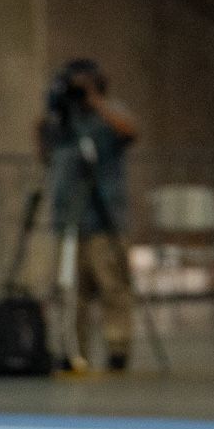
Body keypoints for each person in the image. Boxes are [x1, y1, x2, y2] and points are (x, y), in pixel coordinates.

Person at [38, 58, 139, 371]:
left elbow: (130, 131)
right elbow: (45, 152)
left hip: (104, 218)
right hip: (69, 218)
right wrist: (53, 109)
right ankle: (72, 351)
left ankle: (118, 348)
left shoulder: (108, 113)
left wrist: (95, 101)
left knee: (113, 286)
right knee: (70, 291)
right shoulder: (63, 121)